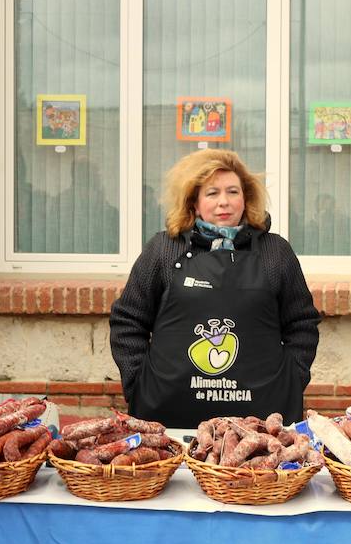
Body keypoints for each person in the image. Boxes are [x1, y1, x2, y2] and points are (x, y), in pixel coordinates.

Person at [110, 148, 320, 428]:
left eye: (233, 192)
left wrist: (290, 380)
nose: (224, 202)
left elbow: (302, 324)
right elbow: (128, 320)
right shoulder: (164, 250)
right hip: (168, 415)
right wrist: (139, 381)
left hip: (260, 419)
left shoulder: (275, 253)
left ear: (246, 198)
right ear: (194, 203)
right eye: (212, 193)